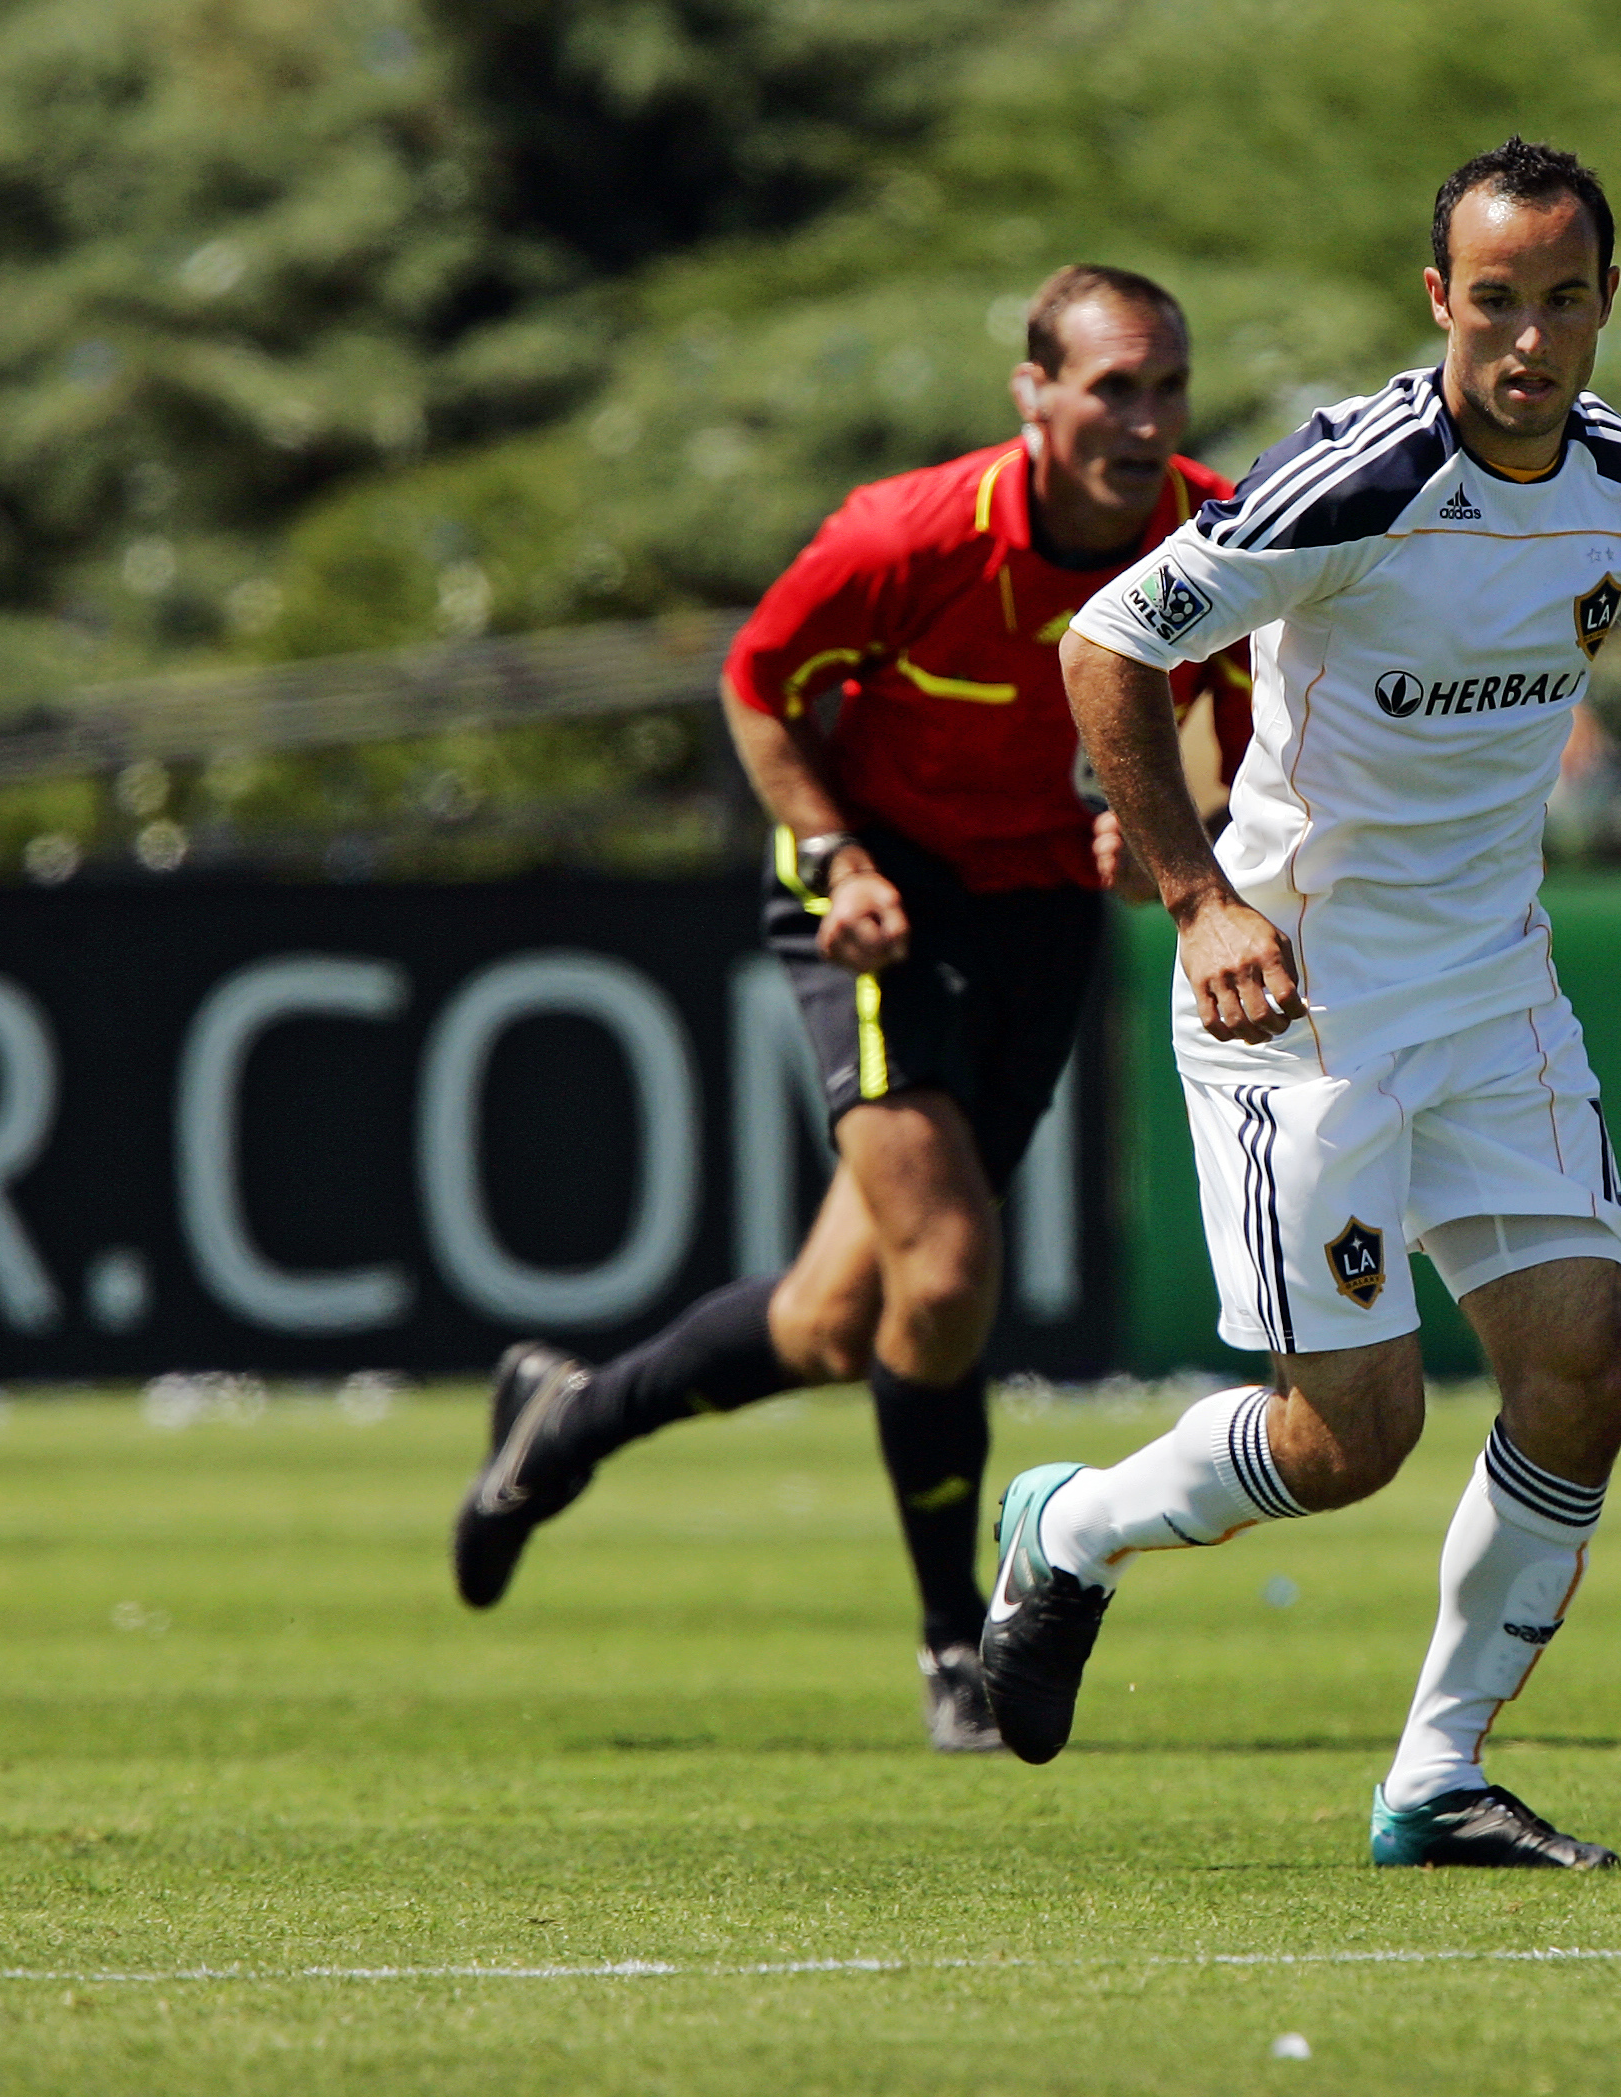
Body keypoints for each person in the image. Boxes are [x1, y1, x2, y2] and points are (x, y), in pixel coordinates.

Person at [1023, 140, 1621, 1866]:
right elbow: (1107, 647)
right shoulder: (1354, 483)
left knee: (1584, 1372)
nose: (1528, 337)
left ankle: (1437, 1781)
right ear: (1439, 301)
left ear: (1606, 303)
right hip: (1300, 1000)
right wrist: (1198, 893)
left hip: (1497, 986)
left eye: (1562, 299)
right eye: (1493, 301)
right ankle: (1071, 1528)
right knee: (1347, 1439)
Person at [452, 265, 1249, 1754]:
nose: (1143, 422)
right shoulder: (909, 537)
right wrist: (833, 856)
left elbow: (1251, 745)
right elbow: (757, 684)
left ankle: (571, 1419)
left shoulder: (1216, 543)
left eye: (1166, 389)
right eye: (1109, 387)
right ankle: (962, 1642)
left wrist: (1170, 848)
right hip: (873, 907)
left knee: (838, 1321)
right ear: (1033, 396)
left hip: (1038, 918)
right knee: (943, 1278)